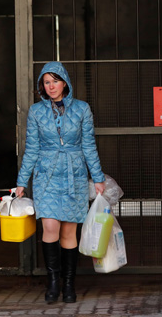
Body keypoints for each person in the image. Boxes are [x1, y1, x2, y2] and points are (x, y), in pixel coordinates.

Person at [15, 61, 106, 304]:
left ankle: (68, 283)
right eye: (46, 82)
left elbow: (88, 145)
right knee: (50, 228)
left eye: (55, 81)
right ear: (41, 86)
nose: (51, 86)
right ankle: (53, 281)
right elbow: (31, 149)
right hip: (46, 175)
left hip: (74, 175)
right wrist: (22, 181)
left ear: (65, 82)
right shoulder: (35, 112)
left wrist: (97, 177)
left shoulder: (82, 109)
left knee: (68, 231)